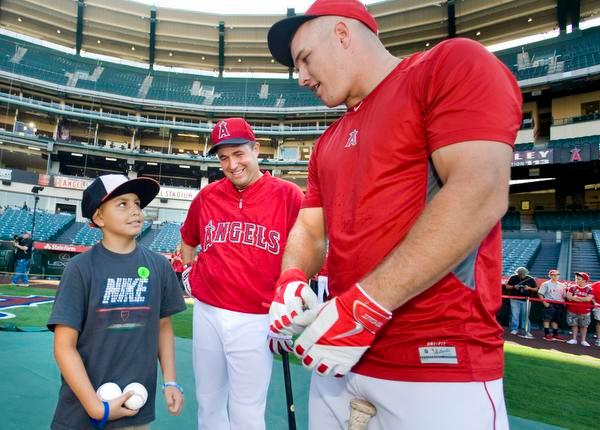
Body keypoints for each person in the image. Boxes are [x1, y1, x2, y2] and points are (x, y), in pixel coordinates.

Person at [267, 0, 522, 428]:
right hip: (339, 358)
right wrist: (291, 279)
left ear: (343, 35)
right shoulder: (328, 140)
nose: (302, 78)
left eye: (305, 59)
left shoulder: (446, 66)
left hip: (436, 364)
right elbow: (311, 228)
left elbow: (479, 190)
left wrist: (364, 309)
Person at [179, 117, 303, 430]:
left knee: (247, 411)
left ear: (256, 149)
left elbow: (306, 247)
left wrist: (291, 296)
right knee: (209, 403)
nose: (232, 164)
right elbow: (188, 238)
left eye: (238, 154)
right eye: (223, 157)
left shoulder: (288, 195)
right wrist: (189, 269)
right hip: (207, 311)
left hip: (256, 317)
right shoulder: (207, 196)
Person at [47, 174, 186, 430]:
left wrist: (171, 381)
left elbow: (163, 326)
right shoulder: (80, 268)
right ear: (99, 217)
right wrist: (95, 406)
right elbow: (64, 347)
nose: (135, 210)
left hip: (135, 412)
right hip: (81, 412)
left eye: (137, 203)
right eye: (122, 203)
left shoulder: (158, 266)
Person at [505, 266, 538, 338]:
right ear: (518, 274)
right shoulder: (513, 277)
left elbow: (536, 289)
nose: (522, 276)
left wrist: (529, 288)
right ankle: (514, 329)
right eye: (520, 274)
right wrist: (514, 287)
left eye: (523, 274)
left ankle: (526, 330)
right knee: (515, 315)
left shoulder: (531, 279)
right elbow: (507, 286)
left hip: (526, 299)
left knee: (525, 316)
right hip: (514, 298)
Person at [565, 272, 594, 346]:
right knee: (574, 324)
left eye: (578, 279)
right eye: (576, 278)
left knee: (584, 326)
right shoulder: (572, 287)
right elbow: (569, 297)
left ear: (584, 280)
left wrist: (575, 298)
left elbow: (588, 299)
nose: (576, 280)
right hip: (572, 310)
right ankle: (574, 339)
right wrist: (581, 299)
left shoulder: (589, 289)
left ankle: (583, 340)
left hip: (584, 311)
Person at [538, 269, 567, 342]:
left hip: (559, 304)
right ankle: (546, 334)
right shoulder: (546, 284)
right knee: (547, 319)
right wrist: (545, 303)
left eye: (557, 275)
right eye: (553, 275)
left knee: (556, 320)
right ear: (550, 275)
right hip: (549, 302)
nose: (555, 276)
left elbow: (564, 295)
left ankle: (555, 334)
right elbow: (540, 294)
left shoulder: (562, 285)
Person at [591, 280, 600, 346]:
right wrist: (594, 303)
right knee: (599, 322)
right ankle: (599, 339)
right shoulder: (596, 284)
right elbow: (592, 296)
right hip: (598, 306)